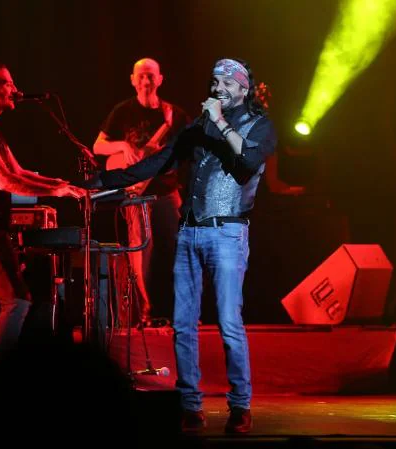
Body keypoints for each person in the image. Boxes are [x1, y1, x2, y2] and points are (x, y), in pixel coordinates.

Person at [84, 57, 277, 433]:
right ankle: (190, 405)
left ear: (242, 91)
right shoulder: (198, 128)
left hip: (227, 233)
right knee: (183, 325)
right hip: (191, 231)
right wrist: (99, 183)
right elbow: (157, 162)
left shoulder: (259, 127)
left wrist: (219, 122)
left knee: (229, 321)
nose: (217, 89)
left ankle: (240, 407)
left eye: (226, 83)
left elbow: (246, 163)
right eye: (215, 82)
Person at [0, 61, 87, 411]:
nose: (15, 89)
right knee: (18, 301)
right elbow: (4, 181)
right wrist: (56, 194)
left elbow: (18, 171)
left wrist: (59, 185)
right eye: (8, 83)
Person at [93, 57, 189, 325]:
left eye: (151, 76)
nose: (146, 81)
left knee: (180, 250)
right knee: (141, 252)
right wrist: (123, 146)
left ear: (160, 80)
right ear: (133, 80)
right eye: (141, 76)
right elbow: (98, 147)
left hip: (167, 192)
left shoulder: (175, 115)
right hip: (137, 193)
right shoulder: (122, 112)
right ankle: (142, 311)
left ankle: (179, 312)